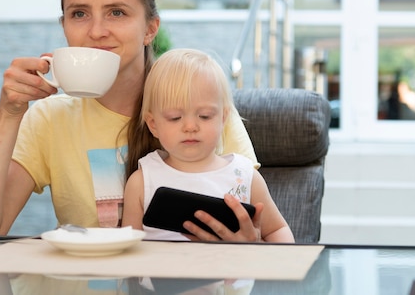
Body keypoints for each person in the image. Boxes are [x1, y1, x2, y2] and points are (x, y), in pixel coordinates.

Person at [0, 0, 260, 240]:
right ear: (65, 28)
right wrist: (8, 113)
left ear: (150, 29)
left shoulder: (203, 109)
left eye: (116, 12)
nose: (97, 31)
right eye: (79, 13)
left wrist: (250, 245)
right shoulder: (49, 119)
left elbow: (261, 228)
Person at [122, 48, 295, 243]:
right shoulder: (142, 181)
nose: (190, 127)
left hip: (233, 272)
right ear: (153, 124)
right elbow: (127, 250)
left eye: (204, 116)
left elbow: (278, 230)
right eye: (175, 118)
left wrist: (256, 247)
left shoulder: (245, 176)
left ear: (223, 118)